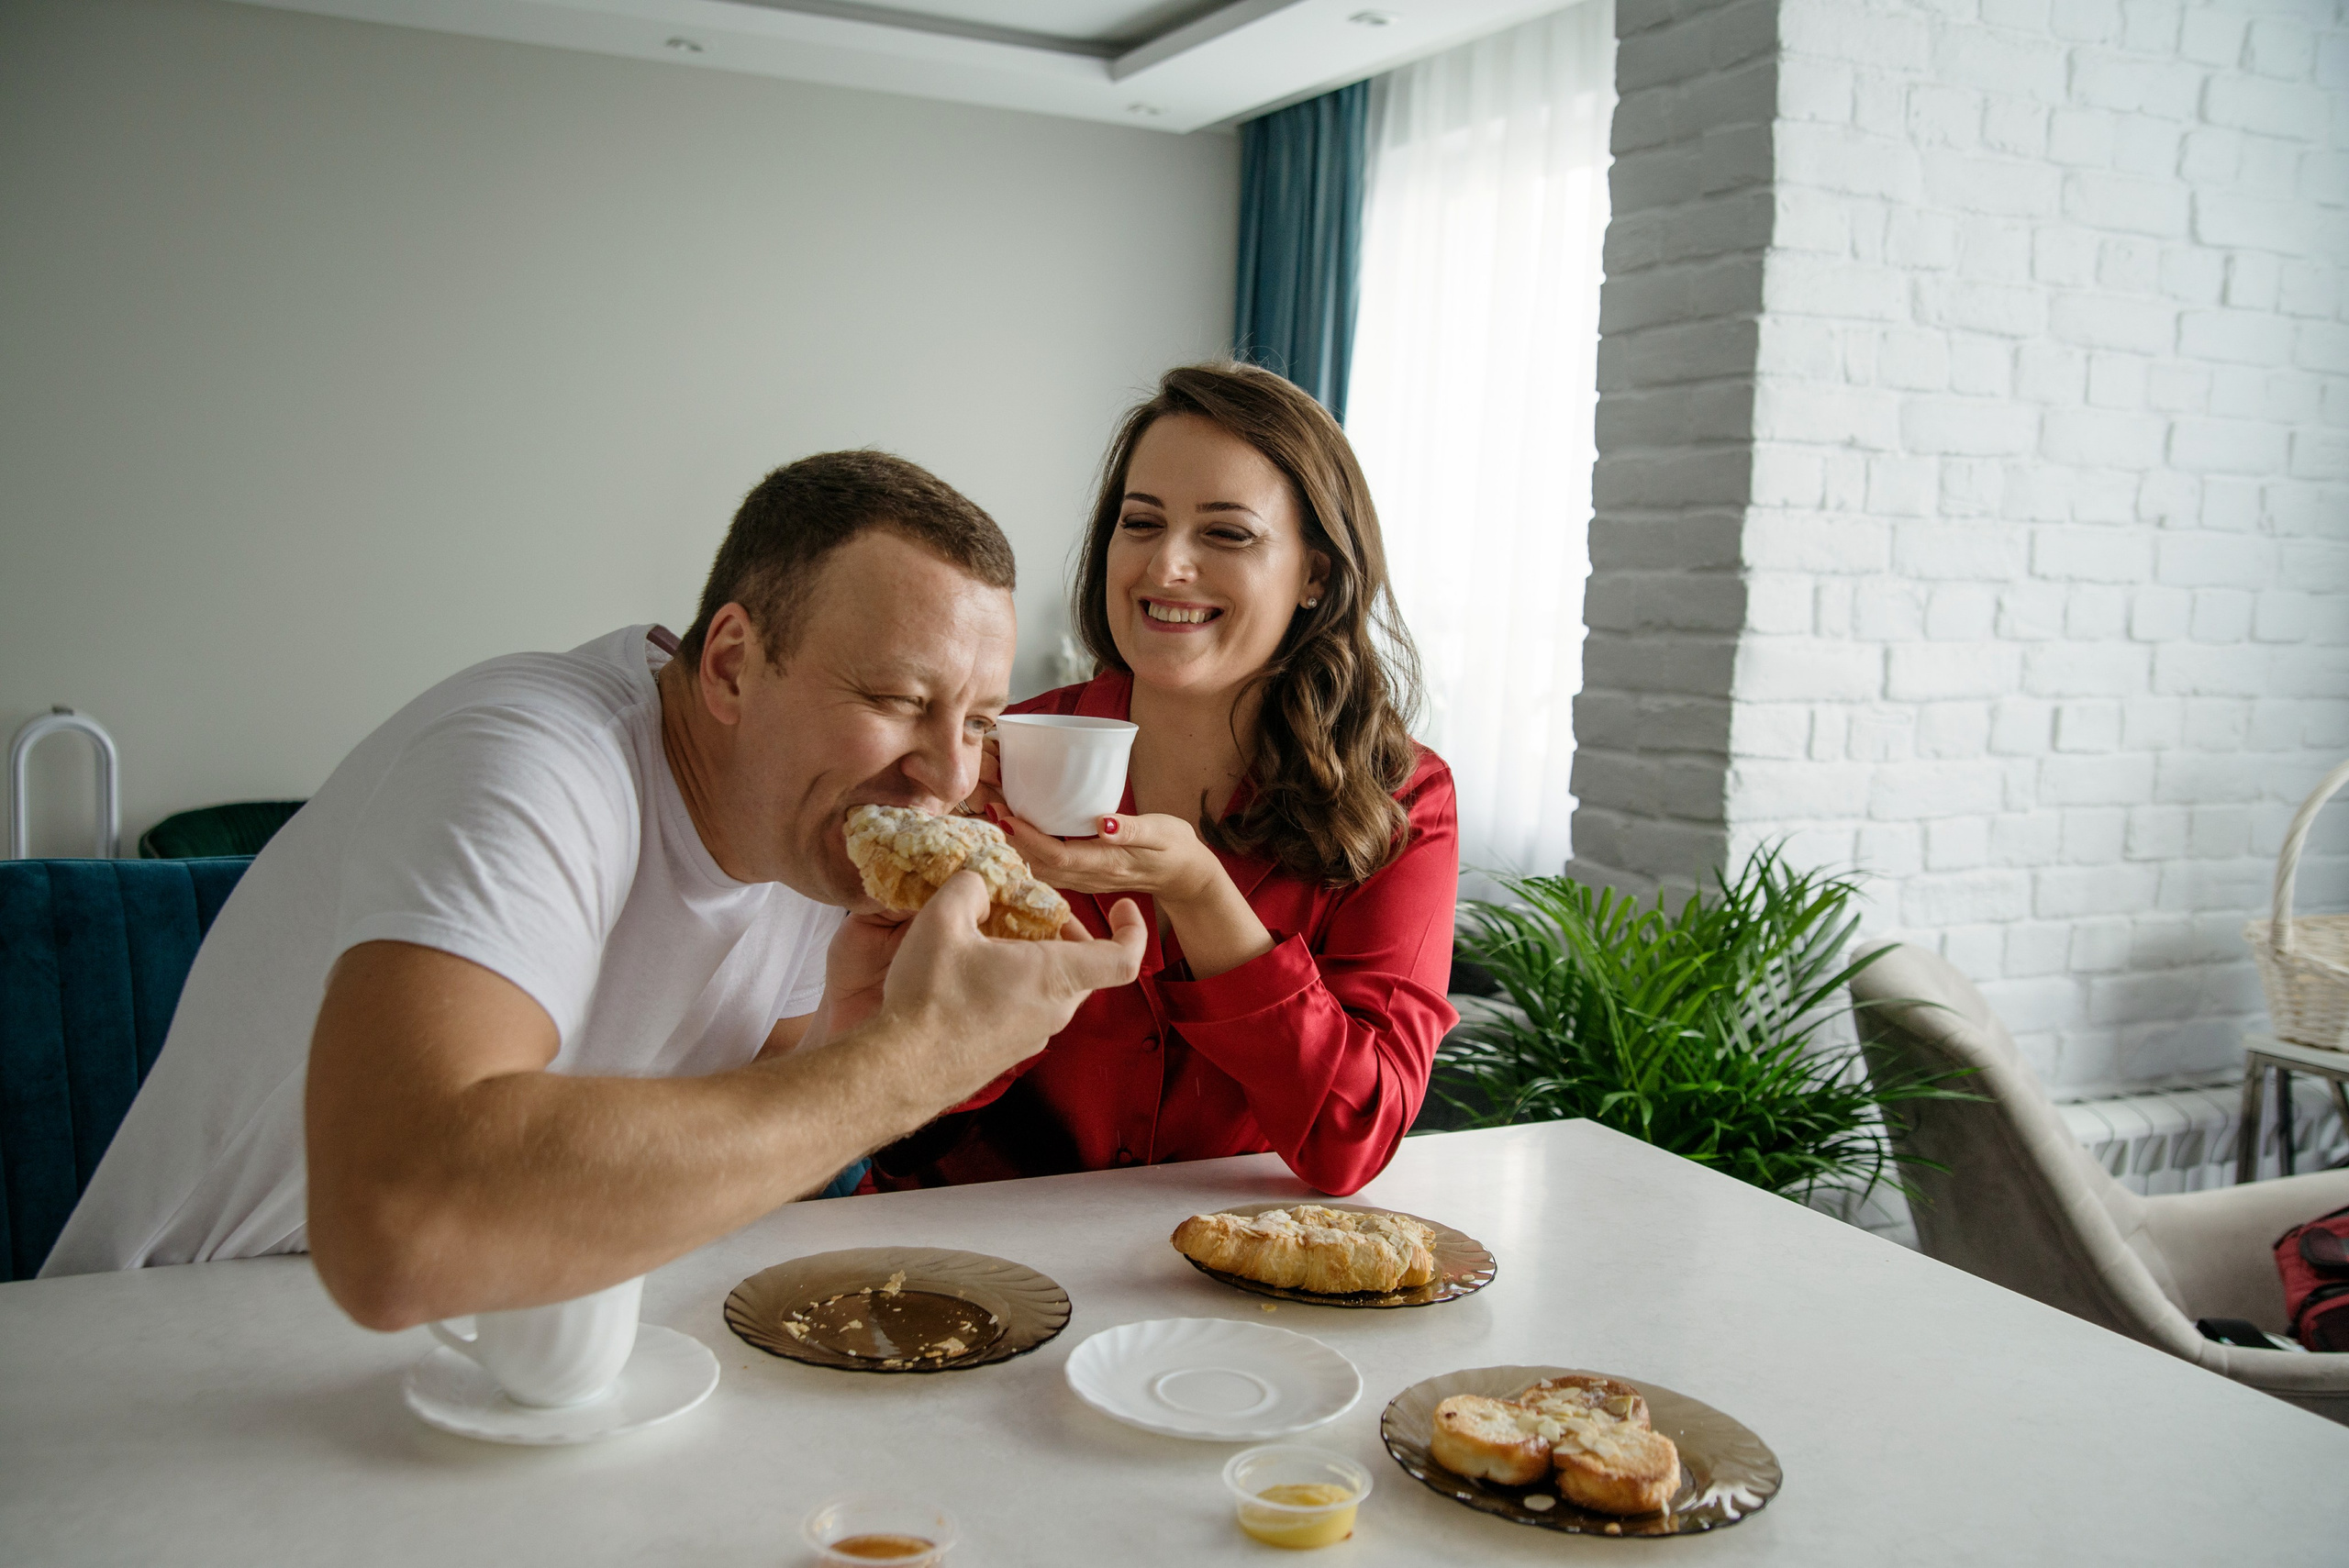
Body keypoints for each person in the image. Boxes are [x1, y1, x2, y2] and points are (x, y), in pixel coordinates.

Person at [43, 451, 1145, 1331]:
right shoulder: (529, 759)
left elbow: (710, 1156)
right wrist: (905, 1067)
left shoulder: (812, 832)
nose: (948, 775)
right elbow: (396, 1228)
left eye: (980, 720)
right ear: (727, 664)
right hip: (174, 1339)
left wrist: (839, 1049)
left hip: (503, 1344)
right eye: (901, 697)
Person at [867, 363, 1458, 1197]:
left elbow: (1350, 1140)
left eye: (1226, 533)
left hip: (1225, 1292)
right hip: (965, 1261)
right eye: (1141, 523)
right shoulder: (988, 761)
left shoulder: (1403, 801)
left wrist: (1200, 894)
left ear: (1316, 575)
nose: (1167, 565)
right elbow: (892, 1122)